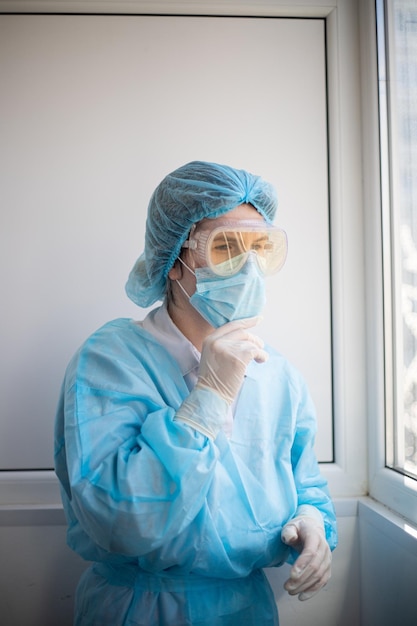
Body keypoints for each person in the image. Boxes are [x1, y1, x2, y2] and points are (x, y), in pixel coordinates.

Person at [54, 160, 337, 626]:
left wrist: (312, 523)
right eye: (225, 246)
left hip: (247, 609)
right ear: (172, 259)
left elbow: (306, 484)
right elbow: (116, 516)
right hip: (139, 609)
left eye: (261, 247)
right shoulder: (110, 361)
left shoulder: (278, 375)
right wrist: (210, 395)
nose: (248, 267)